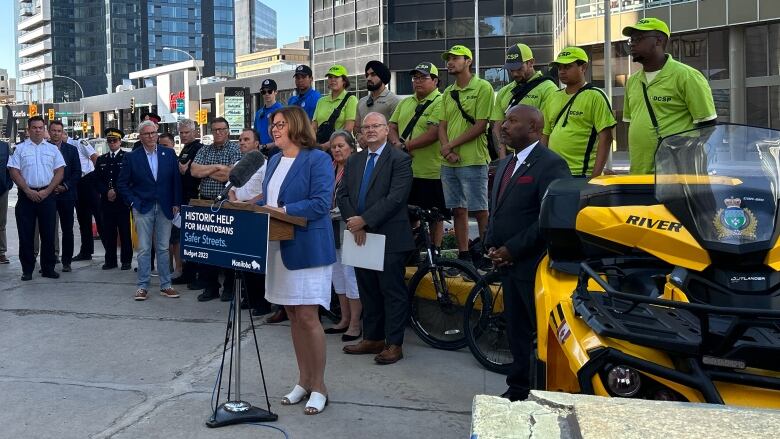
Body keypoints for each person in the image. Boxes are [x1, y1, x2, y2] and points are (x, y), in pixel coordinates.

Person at [484, 105, 571, 401]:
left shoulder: (551, 165)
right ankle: (518, 388)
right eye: (505, 120)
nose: (504, 126)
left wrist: (513, 249)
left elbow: (548, 219)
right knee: (516, 332)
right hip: (508, 265)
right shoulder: (507, 164)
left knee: (541, 336)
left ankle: (544, 392)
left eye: (512, 121)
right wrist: (492, 243)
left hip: (534, 267)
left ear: (533, 127)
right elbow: (498, 211)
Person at [261, 106, 335, 415]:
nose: (275, 130)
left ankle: (320, 386)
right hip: (279, 247)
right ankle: (303, 380)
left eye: (280, 124)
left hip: (308, 249)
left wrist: (282, 210)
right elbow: (267, 200)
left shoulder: (317, 159)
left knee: (307, 316)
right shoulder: (274, 160)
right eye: (273, 125)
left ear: (295, 126)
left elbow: (320, 204)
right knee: (292, 315)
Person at [338, 112, 414, 365]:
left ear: (386, 130)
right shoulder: (354, 160)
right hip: (359, 235)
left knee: (391, 291)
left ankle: (394, 343)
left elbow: (395, 198)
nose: (370, 130)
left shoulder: (400, 159)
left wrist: (365, 220)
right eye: (366, 127)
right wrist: (354, 222)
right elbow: (344, 194)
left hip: (388, 236)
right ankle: (373, 337)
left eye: (376, 126)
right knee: (367, 288)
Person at [622, 18, 717, 174]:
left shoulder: (687, 76)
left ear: (659, 41)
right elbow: (631, 123)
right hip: (640, 171)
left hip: (677, 174)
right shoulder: (632, 81)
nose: (632, 44)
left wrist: (684, 156)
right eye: (631, 40)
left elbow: (708, 126)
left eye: (638, 39)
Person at [439, 45, 494, 270]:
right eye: (448, 58)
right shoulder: (447, 92)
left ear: (468, 61)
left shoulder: (483, 87)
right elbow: (442, 125)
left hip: (474, 159)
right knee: (457, 210)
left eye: (455, 58)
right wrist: (447, 150)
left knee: (480, 209)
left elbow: (481, 125)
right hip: (448, 162)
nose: (450, 62)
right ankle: (464, 255)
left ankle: (487, 253)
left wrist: (450, 145)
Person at [117, 120, 182, 301]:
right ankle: (142, 286)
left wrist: (176, 201)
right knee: (144, 249)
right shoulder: (132, 157)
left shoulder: (168, 154)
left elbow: (175, 180)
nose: (152, 136)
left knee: (163, 247)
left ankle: (166, 285)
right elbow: (122, 184)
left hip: (165, 206)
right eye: (147, 134)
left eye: (154, 133)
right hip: (142, 206)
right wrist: (132, 203)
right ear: (140, 137)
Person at [388, 62, 447, 247]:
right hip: (405, 171)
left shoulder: (441, 101)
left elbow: (433, 133)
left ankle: (436, 252)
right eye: (415, 78)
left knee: (435, 215)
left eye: (423, 77)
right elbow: (391, 126)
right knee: (408, 213)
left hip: (431, 170)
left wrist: (405, 147)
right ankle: (411, 250)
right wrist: (396, 143)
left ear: (435, 81)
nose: (417, 81)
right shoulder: (405, 101)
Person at [542, 47, 616, 178]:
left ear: (583, 67)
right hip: (553, 172)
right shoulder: (552, 97)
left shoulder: (596, 96)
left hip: (581, 174)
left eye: (567, 67)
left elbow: (606, 138)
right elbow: (545, 135)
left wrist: (595, 176)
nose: (562, 71)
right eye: (559, 68)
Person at [7, 116, 65, 281]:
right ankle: (27, 269)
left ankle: (48, 268)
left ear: (44, 129)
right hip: (26, 197)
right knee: (26, 235)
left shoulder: (53, 149)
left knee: (48, 234)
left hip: (47, 196)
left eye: (40, 127)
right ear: (28, 130)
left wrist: (47, 191)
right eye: (34, 127)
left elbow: (60, 171)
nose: (38, 130)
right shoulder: (19, 149)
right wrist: (26, 190)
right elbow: (13, 171)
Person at [190, 118, 242, 301]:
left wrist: (211, 171)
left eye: (222, 129)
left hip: (227, 204)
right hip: (206, 203)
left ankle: (229, 288)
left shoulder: (236, 149)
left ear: (227, 131)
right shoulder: (204, 149)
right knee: (207, 249)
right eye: (215, 129)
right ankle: (210, 287)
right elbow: (194, 171)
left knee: (228, 249)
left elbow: (230, 175)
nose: (218, 132)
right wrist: (218, 168)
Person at [227, 128, 272, 317]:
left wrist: (248, 204)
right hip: (239, 215)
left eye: (247, 139)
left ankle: (262, 303)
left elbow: (266, 192)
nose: (242, 142)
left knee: (257, 263)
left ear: (257, 143)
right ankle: (249, 298)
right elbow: (230, 188)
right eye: (240, 140)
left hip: (256, 215)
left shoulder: (267, 164)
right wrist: (233, 200)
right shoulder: (238, 164)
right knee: (242, 260)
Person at [324, 130, 362, 342]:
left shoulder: (357, 167)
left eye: (341, 145)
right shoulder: (329, 167)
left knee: (351, 276)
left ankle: (356, 323)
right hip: (330, 228)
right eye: (333, 146)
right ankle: (344, 318)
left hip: (350, 227)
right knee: (337, 274)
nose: (337, 150)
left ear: (351, 146)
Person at [491, 43, 558, 158]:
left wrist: (537, 159)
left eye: (519, 68)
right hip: (509, 156)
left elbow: (545, 130)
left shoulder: (548, 88)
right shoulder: (504, 91)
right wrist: (503, 159)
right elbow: (497, 127)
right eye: (511, 70)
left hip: (534, 156)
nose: (514, 73)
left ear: (531, 63)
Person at [96, 128, 132, 270]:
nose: (112, 143)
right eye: (109, 141)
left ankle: (126, 260)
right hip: (107, 201)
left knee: (124, 231)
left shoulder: (126, 157)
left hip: (121, 200)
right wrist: (106, 191)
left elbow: (129, 179)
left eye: (114, 140)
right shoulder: (102, 159)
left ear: (120, 141)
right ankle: (110, 260)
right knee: (108, 232)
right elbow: (97, 180)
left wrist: (116, 191)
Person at [172, 119, 203, 287]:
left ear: (194, 132)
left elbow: (188, 170)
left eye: (186, 132)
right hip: (184, 198)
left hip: (193, 198)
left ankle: (194, 274)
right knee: (186, 239)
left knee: (193, 239)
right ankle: (187, 272)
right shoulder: (185, 148)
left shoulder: (198, 148)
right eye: (181, 132)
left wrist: (183, 168)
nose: (183, 135)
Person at [48, 121, 82, 272]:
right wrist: (51, 187)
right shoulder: (44, 149)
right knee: (48, 229)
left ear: (63, 132)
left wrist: (65, 186)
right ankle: (49, 259)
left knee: (67, 229)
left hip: (67, 195)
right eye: (53, 130)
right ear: (49, 132)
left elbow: (77, 172)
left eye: (59, 131)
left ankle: (66, 261)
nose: (56, 133)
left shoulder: (72, 150)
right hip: (48, 194)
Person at [312, 65, 358, 150]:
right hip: (320, 147)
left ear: (344, 80)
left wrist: (329, 144)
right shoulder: (321, 101)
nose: (332, 80)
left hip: (341, 148)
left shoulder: (351, 99)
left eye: (336, 77)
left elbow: (348, 129)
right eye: (330, 77)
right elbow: (313, 127)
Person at [72, 132, 101, 262]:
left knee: (100, 218)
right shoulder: (58, 147)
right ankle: (86, 251)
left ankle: (109, 254)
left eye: (59, 132)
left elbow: (95, 157)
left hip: (89, 180)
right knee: (83, 220)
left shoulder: (79, 143)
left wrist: (97, 179)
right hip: (77, 184)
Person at [355, 60, 400, 139]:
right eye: (367, 75)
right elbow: (356, 127)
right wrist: (359, 137)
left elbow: (396, 130)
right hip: (366, 150)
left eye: (373, 74)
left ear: (382, 77)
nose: (368, 78)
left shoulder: (394, 101)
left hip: (387, 150)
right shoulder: (361, 102)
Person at [254, 78, 284, 156]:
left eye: (270, 91)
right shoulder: (259, 113)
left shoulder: (281, 111)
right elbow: (256, 134)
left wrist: (264, 146)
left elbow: (284, 137)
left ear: (276, 92)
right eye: (264, 92)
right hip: (261, 154)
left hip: (277, 153)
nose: (267, 94)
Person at [0, 138, 11, 264]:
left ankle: (1, 252)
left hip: (2, 190)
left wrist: (8, 185)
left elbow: (10, 167)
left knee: (1, 223)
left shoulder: (4, 147)